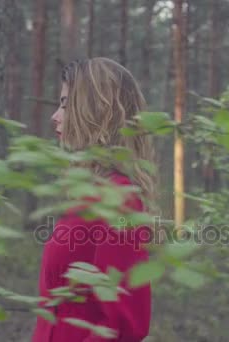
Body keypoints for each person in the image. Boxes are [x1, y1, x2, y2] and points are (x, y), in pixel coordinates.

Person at [32, 58, 155, 342]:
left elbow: (125, 324)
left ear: (96, 112)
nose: (55, 116)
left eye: (65, 104)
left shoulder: (120, 200)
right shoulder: (86, 197)